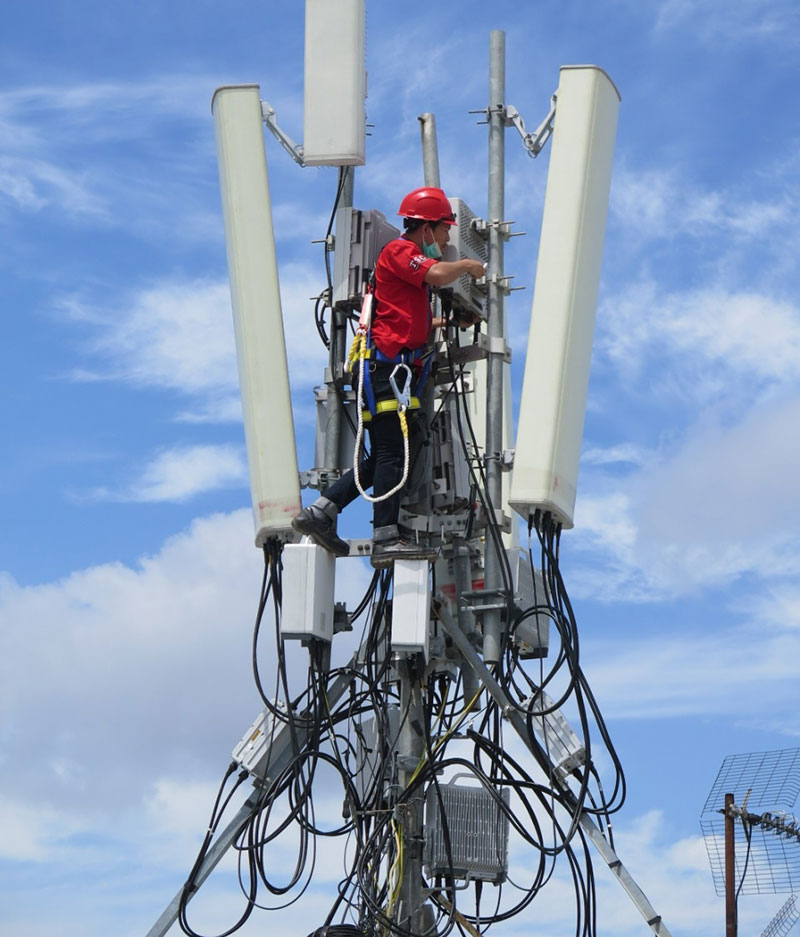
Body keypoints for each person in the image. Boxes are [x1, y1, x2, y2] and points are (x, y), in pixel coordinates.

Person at [293, 186, 486, 568]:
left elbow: (407, 319)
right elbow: (437, 273)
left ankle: (321, 511)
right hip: (387, 370)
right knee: (392, 452)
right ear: (426, 229)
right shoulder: (401, 252)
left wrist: (449, 320)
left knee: (393, 450)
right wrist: (465, 266)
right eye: (444, 230)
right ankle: (386, 537)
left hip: (396, 371)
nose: (447, 238)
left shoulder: (409, 264)